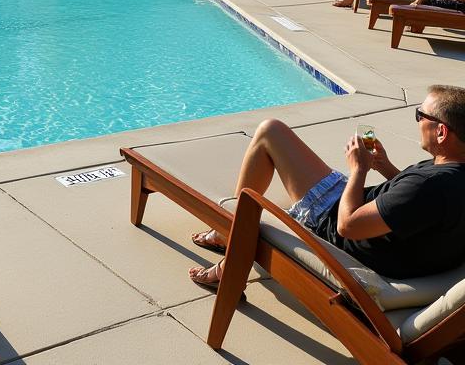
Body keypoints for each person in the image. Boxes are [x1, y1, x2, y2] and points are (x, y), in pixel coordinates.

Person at [188, 84, 465, 288]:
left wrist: (358, 171)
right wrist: (384, 167)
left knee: (269, 132)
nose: (417, 122)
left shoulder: (428, 185)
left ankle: (232, 240)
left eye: (421, 116)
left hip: (335, 220)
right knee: (274, 133)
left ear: (441, 132)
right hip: (373, 220)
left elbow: (348, 226)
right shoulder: (450, 172)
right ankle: (230, 232)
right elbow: (413, 207)